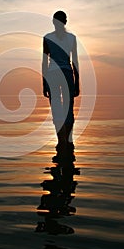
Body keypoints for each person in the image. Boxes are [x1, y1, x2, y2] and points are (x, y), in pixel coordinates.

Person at [42, 11, 80, 156]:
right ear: (65, 21)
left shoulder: (47, 38)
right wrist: (77, 82)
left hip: (52, 75)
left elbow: (45, 63)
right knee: (68, 108)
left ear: (53, 22)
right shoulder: (72, 38)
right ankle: (68, 140)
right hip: (66, 74)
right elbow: (74, 62)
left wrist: (44, 83)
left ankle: (61, 141)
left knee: (56, 108)